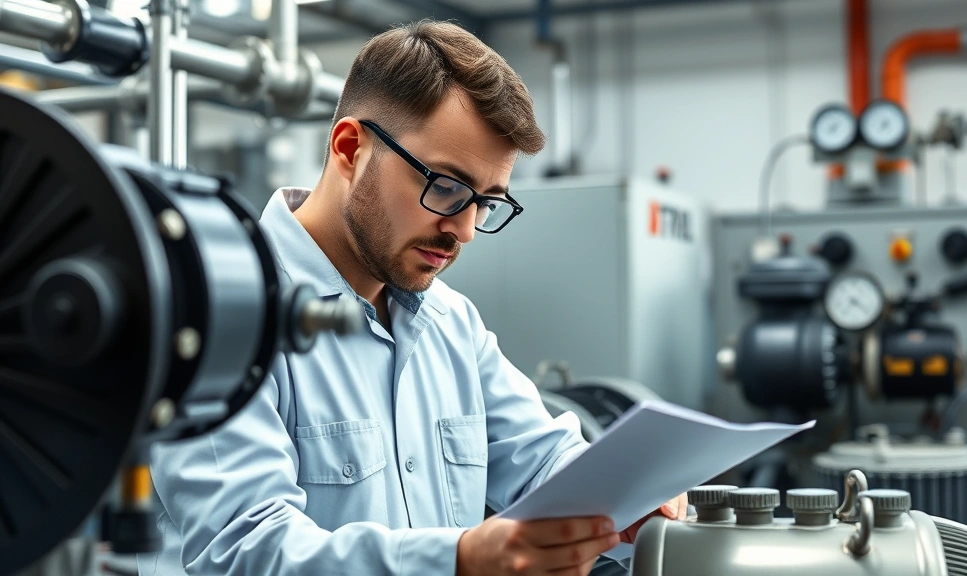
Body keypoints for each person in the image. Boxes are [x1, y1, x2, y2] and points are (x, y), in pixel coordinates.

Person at [140, 20, 686, 576]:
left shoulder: (450, 323)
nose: (465, 230)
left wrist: (627, 497)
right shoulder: (218, 317)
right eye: (446, 187)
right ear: (351, 148)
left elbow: (544, 456)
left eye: (487, 203)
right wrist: (460, 560)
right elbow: (246, 550)